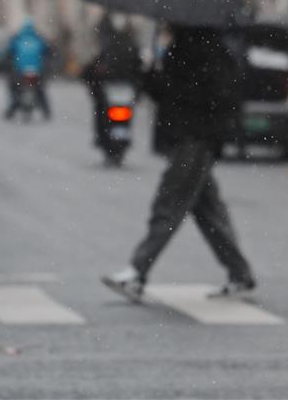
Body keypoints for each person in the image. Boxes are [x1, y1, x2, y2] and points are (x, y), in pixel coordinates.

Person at [101, 27, 256, 303]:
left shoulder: (201, 52)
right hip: (193, 138)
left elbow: (190, 96)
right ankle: (240, 273)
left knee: (169, 204)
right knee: (208, 212)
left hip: (193, 139)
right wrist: (150, 75)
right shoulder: (194, 48)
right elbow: (173, 93)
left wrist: (158, 78)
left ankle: (137, 271)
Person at [81, 16, 143, 147]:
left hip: (115, 88)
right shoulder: (130, 45)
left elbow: (94, 67)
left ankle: (103, 138)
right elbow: (138, 67)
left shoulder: (108, 45)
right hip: (121, 88)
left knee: (101, 109)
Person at [3, 18, 52, 121]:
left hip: (20, 70)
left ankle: (11, 111)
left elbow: (9, 52)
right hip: (37, 70)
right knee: (40, 90)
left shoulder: (17, 38)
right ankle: (46, 111)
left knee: (15, 89)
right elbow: (48, 51)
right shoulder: (39, 39)